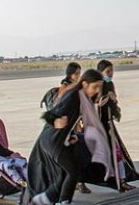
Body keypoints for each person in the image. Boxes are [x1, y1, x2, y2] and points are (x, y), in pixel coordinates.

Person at [28, 69, 109, 205]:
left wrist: (72, 134)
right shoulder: (73, 96)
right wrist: (55, 121)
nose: (97, 90)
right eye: (95, 87)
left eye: (99, 87)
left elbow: (73, 120)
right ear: (84, 84)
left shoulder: (81, 98)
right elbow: (49, 114)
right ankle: (61, 201)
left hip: (59, 139)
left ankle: (48, 199)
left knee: (66, 171)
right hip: (53, 140)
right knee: (72, 171)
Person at [96, 60, 139, 192]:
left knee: (117, 153)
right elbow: (89, 105)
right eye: (108, 71)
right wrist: (98, 105)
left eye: (112, 71)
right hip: (98, 126)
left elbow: (113, 106)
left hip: (108, 124)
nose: (111, 74)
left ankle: (122, 181)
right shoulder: (97, 85)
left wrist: (114, 100)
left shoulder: (110, 84)